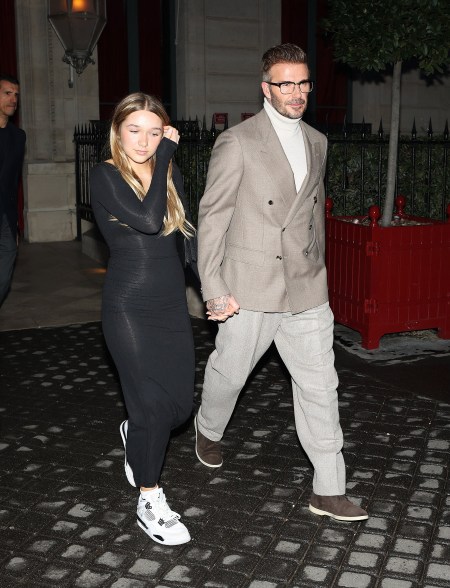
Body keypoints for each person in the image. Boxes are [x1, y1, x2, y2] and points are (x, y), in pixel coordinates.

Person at [195, 43, 368, 522]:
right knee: (231, 374)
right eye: (285, 83)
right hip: (250, 284)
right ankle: (207, 428)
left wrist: (321, 272)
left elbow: (313, 216)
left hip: (306, 286)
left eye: (303, 82)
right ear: (266, 88)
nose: (297, 92)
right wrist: (213, 285)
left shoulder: (317, 140)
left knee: (320, 385)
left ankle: (328, 488)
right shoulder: (238, 141)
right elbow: (212, 217)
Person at [89, 93, 195, 545]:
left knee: (178, 409)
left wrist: (212, 291)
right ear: (118, 131)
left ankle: (135, 433)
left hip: (171, 304)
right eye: (136, 130)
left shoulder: (169, 176)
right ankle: (149, 500)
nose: (146, 141)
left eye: (156, 132)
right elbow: (150, 222)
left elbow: (187, 237)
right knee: (152, 407)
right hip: (129, 306)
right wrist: (169, 154)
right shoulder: (106, 175)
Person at [0, 74, 26, 307]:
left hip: (6, 219)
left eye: (16, 95)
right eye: (7, 93)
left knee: (3, 280)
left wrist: (16, 223)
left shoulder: (18, 137)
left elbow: (14, 182)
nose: (13, 99)